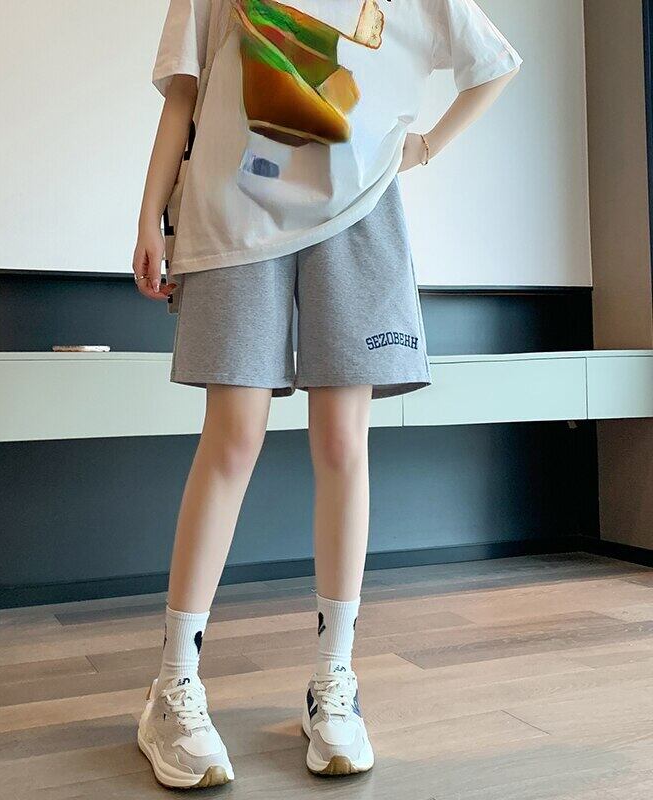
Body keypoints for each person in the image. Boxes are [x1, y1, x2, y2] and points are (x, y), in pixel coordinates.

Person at [133, 0, 521, 788]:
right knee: (233, 437)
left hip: (360, 214)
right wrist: (149, 213)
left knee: (344, 442)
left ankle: (334, 681)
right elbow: (186, 90)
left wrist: (422, 148)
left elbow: (494, 63)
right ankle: (173, 686)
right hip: (232, 212)